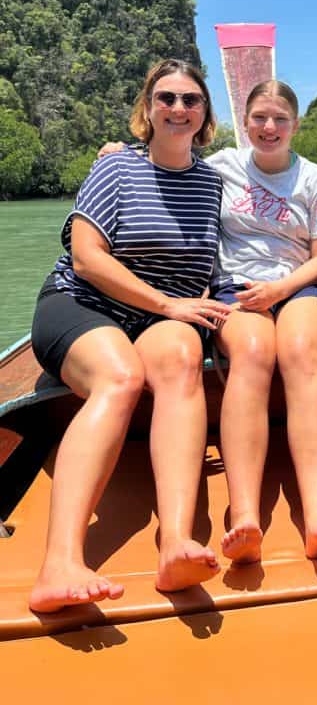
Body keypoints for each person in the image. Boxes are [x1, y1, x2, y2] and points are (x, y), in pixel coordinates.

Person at [29, 60, 231, 613]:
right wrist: (168, 303)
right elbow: (88, 259)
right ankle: (59, 562)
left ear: (205, 116)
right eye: (166, 98)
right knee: (121, 376)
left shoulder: (214, 184)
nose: (178, 108)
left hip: (163, 320)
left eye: (191, 100)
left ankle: (176, 542)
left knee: (184, 357)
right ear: (147, 109)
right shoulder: (116, 170)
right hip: (83, 305)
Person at [207, 80, 317, 564]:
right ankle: (244, 516)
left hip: (302, 287)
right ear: (244, 122)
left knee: (297, 348)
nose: (268, 128)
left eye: (280, 119)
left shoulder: (315, 179)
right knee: (252, 353)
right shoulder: (220, 168)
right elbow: (160, 166)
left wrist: (281, 289)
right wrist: (118, 151)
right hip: (237, 289)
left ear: (295, 125)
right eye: (258, 118)